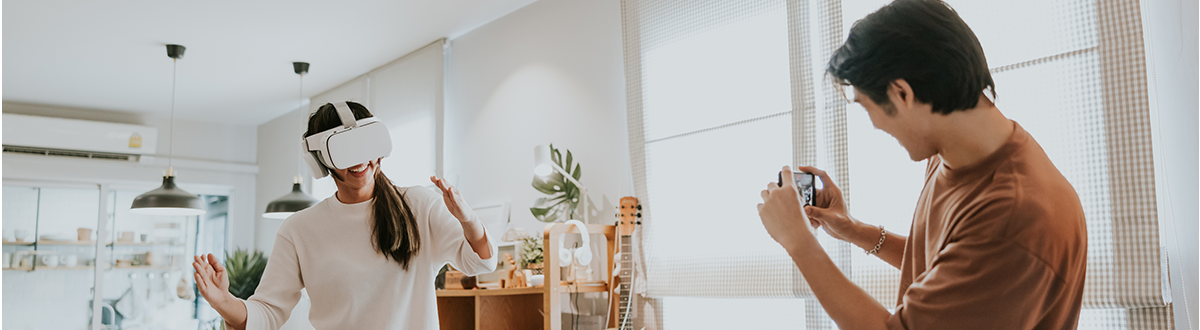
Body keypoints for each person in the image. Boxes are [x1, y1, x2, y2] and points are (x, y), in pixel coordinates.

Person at [757, 0, 1088, 329]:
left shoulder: (1015, 215)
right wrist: (855, 231)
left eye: (865, 106)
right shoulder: (950, 154)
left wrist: (798, 242)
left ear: (902, 94)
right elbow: (953, 274)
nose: (875, 125)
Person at [192, 101, 497, 330]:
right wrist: (224, 301)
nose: (358, 160)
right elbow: (267, 314)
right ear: (320, 161)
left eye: (363, 144)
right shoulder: (299, 229)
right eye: (342, 149)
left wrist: (468, 219)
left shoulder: (418, 205)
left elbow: (480, 261)